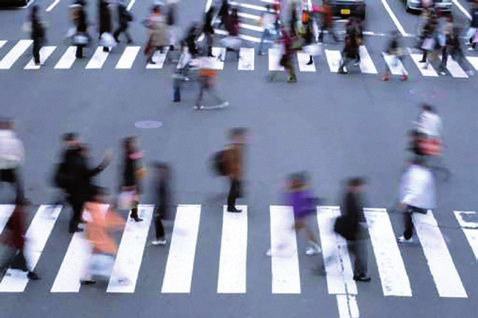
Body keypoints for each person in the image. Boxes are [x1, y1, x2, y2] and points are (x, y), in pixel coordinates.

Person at [81, 188, 128, 285]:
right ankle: (119, 277)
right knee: (106, 260)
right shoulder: (99, 208)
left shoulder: (88, 207)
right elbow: (108, 219)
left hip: (93, 237)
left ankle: (85, 276)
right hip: (100, 238)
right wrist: (120, 224)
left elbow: (86, 221)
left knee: (94, 258)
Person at [66, 143, 112, 233]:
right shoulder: (80, 163)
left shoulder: (76, 160)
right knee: (77, 209)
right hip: (78, 191)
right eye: (85, 151)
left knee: (79, 208)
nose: (87, 153)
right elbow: (89, 173)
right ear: (81, 152)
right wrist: (103, 165)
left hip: (77, 189)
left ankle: (79, 220)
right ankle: (73, 227)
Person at [396, 157, 435, 243]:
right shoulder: (425, 173)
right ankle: (410, 235)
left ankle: (408, 237)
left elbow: (416, 191)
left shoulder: (416, 175)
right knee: (413, 217)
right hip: (420, 201)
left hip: (415, 201)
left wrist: (405, 201)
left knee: (408, 218)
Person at [0, 199, 40, 281]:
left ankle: (4, 267)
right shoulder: (17, 214)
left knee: (12, 257)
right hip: (17, 241)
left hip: (17, 240)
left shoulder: (18, 213)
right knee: (20, 257)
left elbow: (11, 226)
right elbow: (13, 228)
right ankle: (30, 273)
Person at [340, 178, 370, 282]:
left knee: (352, 251)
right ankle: (360, 274)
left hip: (353, 231)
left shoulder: (351, 196)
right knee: (360, 253)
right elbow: (352, 216)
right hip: (354, 231)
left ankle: (323, 266)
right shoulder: (351, 198)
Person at [414, 104, 450, 180]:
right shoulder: (437, 117)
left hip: (425, 138)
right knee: (434, 155)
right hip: (435, 140)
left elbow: (420, 128)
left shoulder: (424, 115)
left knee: (419, 151)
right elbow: (439, 129)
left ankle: (419, 166)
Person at [0, 118, 25, 203]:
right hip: (11, 165)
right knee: (17, 183)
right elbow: (18, 151)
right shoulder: (13, 138)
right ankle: (20, 199)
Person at [120, 137, 144, 222]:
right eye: (132, 144)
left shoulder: (129, 154)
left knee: (134, 199)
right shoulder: (129, 156)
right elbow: (136, 156)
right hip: (131, 181)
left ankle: (134, 214)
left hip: (132, 180)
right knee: (133, 200)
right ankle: (134, 215)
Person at [224, 128, 247, 213]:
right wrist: (234, 173)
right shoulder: (233, 148)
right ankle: (231, 207)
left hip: (236, 173)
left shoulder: (237, 146)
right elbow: (232, 162)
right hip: (234, 174)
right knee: (234, 190)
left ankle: (232, 204)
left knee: (235, 189)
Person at [151, 163, 172, 246]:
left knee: (158, 223)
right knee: (159, 223)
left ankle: (161, 239)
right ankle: (161, 238)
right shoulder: (163, 181)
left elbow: (161, 198)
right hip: (161, 206)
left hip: (161, 207)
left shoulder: (161, 183)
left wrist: (158, 210)